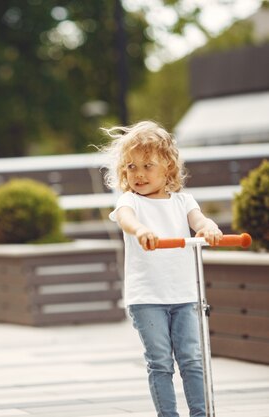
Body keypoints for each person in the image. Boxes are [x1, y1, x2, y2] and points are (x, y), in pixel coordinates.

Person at [101, 121, 223, 417]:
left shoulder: (183, 201)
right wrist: (141, 230)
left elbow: (199, 221)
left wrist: (209, 227)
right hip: (147, 298)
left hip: (185, 294)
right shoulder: (129, 201)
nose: (138, 174)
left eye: (147, 165)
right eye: (131, 167)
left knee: (192, 359)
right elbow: (127, 219)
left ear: (168, 167)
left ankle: (200, 413)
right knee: (160, 361)